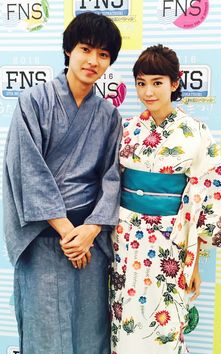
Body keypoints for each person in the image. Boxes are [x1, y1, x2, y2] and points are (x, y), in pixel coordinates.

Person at [3, 12, 122, 354]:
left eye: (103, 55)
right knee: (45, 334)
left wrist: (91, 229)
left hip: (89, 242)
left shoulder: (108, 115)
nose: (93, 61)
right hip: (43, 237)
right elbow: (27, 171)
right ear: (69, 50)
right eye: (86, 49)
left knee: (90, 333)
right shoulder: (34, 102)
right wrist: (67, 230)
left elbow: (112, 178)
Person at [110, 44, 221, 354]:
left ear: (175, 83)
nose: (148, 92)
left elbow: (208, 193)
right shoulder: (126, 130)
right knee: (124, 320)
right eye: (141, 83)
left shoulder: (195, 133)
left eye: (157, 82)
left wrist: (194, 265)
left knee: (165, 324)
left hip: (172, 244)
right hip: (125, 241)